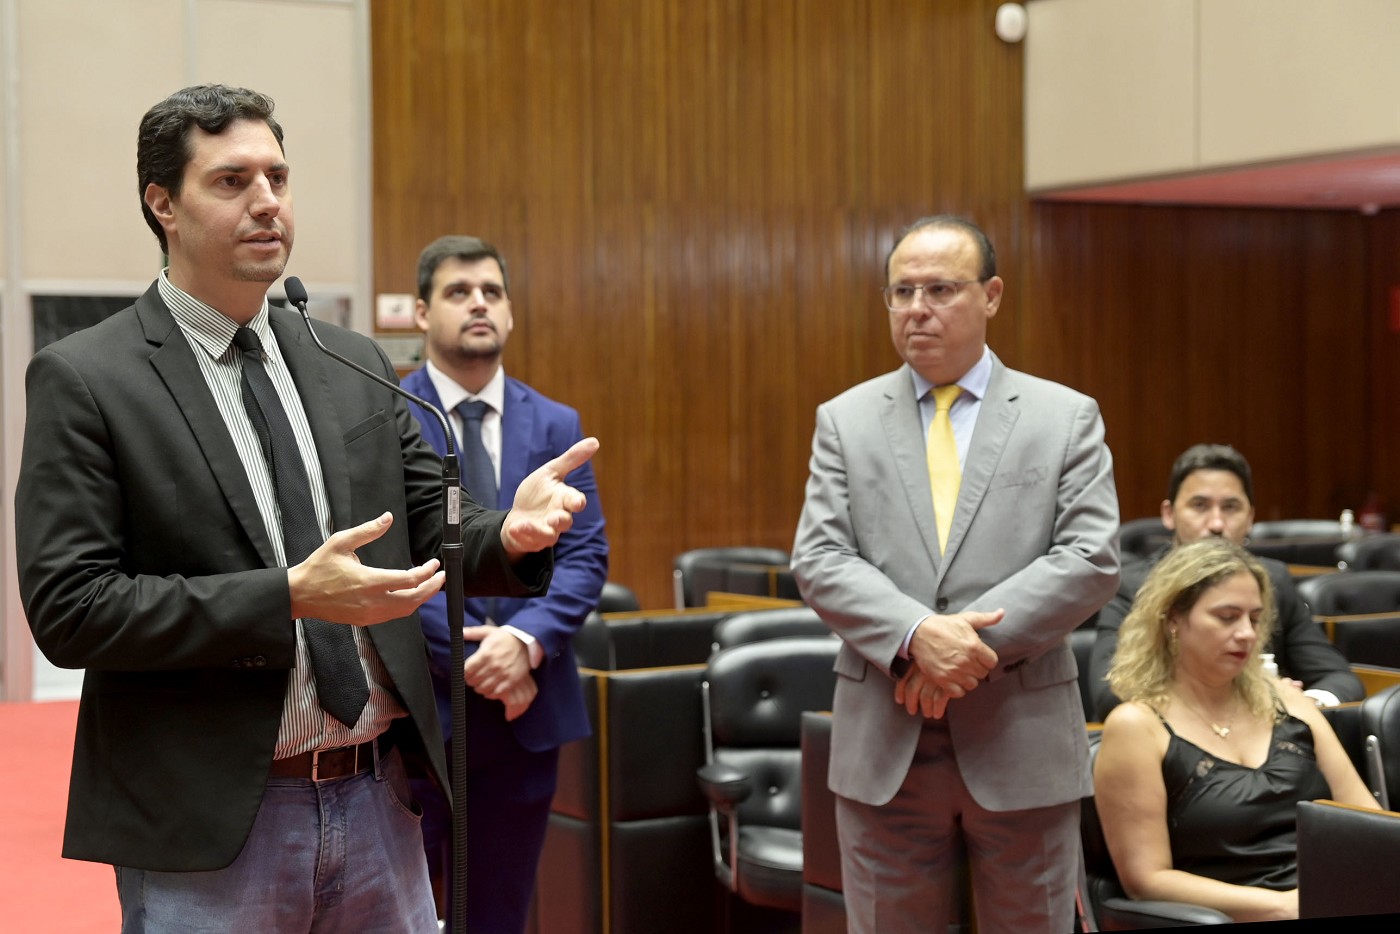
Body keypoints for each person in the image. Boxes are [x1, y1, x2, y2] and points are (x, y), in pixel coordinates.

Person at [14, 85, 596, 932]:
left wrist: (509, 531)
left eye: (278, 178)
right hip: (214, 822)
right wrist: (285, 596)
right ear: (162, 203)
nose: (267, 202)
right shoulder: (89, 378)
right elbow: (71, 609)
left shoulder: (347, 359)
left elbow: (431, 521)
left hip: (380, 797)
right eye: (232, 181)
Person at [791, 215, 1120, 933]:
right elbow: (819, 557)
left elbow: (1090, 557)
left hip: (1021, 736)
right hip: (887, 740)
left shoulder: (1063, 416)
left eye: (940, 289)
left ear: (992, 295)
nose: (917, 308)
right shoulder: (844, 420)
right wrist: (916, 636)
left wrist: (961, 653)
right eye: (902, 291)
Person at [401, 235, 607, 932]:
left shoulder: (556, 423)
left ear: (511, 313)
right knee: (406, 915)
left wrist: (522, 643)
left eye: (491, 292)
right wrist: (467, 655)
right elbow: (384, 559)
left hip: (526, 712)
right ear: (422, 313)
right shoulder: (386, 416)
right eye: (458, 292)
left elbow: (585, 556)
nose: (478, 304)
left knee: (501, 914)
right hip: (420, 716)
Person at [1094, 540, 1376, 922]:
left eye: (1255, 619)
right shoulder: (1136, 726)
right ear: (1173, 619)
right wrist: (1283, 906)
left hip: (1332, 897)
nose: (1246, 633)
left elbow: (1366, 820)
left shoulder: (1286, 700)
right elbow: (1146, 881)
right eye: (1227, 617)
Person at [1089, 444, 1362, 720]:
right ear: (1169, 514)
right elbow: (1110, 693)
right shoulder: (1133, 587)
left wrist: (1301, 704)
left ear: (1250, 517)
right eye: (1200, 506)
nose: (1217, 524)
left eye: (1230, 507)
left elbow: (1340, 679)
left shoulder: (1273, 581)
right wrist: (1242, 699)